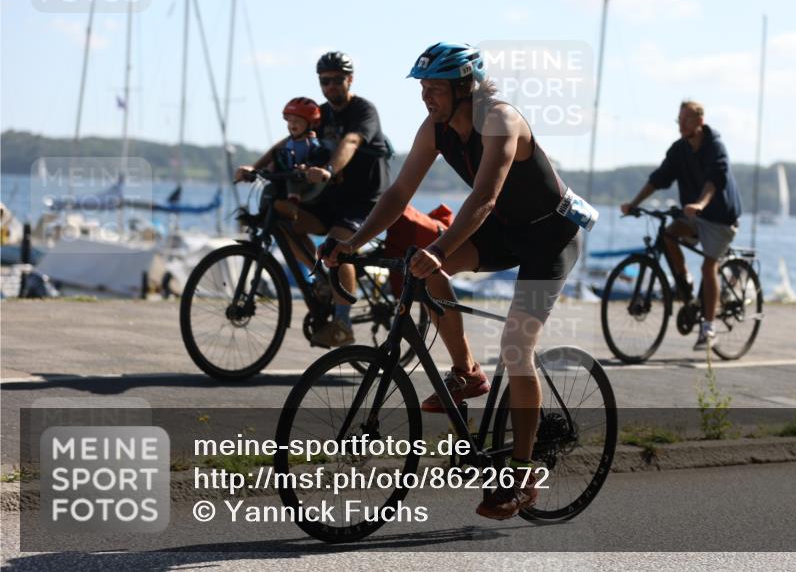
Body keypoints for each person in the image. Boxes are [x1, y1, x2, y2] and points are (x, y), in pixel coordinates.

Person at [321, 42, 584, 520]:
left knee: (515, 348)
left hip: (550, 237)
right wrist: (354, 242)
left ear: (465, 87)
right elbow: (400, 192)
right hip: (506, 231)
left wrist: (439, 249)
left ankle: (522, 477)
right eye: (422, 87)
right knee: (425, 270)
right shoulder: (437, 127)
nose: (426, 96)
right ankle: (467, 372)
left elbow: (484, 196)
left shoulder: (501, 121)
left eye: (435, 87)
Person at [235, 51, 391, 348]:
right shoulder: (321, 113)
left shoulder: (363, 111)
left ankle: (343, 324)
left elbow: (351, 141)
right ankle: (321, 278)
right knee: (281, 216)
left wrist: (329, 169)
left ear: (350, 80)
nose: (329, 86)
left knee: (336, 248)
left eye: (336, 80)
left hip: (365, 201)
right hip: (329, 200)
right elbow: (287, 144)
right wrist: (254, 167)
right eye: (324, 81)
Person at [621, 100, 742, 352]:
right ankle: (684, 280)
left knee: (709, 266)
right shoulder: (679, 150)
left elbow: (713, 181)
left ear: (700, 121)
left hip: (720, 217)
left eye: (686, 120)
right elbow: (658, 178)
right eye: (679, 120)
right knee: (668, 235)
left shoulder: (715, 147)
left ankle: (708, 329)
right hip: (694, 215)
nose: (681, 125)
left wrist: (699, 204)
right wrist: (633, 203)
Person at [272, 97, 328, 204]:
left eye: (297, 121)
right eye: (290, 121)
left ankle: (292, 202)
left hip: (304, 179)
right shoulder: (289, 142)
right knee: (269, 190)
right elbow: (282, 156)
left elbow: (320, 156)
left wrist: (307, 166)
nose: (292, 124)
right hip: (286, 175)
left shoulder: (312, 143)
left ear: (311, 124)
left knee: (293, 180)